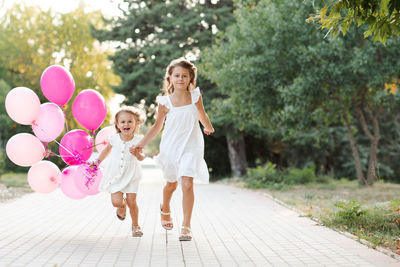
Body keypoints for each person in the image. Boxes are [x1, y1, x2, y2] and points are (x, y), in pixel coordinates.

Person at [130, 58, 214, 241]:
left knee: (187, 183)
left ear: (190, 78)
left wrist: (208, 126)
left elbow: (202, 114)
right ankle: (165, 207)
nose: (180, 79)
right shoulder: (165, 102)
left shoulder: (195, 97)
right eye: (177, 75)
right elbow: (156, 127)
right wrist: (140, 144)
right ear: (170, 78)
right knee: (171, 185)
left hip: (191, 146)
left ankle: (186, 226)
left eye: (185, 76)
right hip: (171, 147)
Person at [95, 106, 146, 237]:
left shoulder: (138, 140)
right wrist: (97, 162)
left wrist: (137, 154)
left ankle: (135, 226)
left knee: (132, 201)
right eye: (123, 122)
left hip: (132, 174)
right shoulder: (114, 138)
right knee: (116, 202)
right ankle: (121, 206)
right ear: (117, 124)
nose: (126, 124)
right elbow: (106, 151)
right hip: (115, 174)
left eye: (130, 121)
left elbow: (142, 157)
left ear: (136, 123)